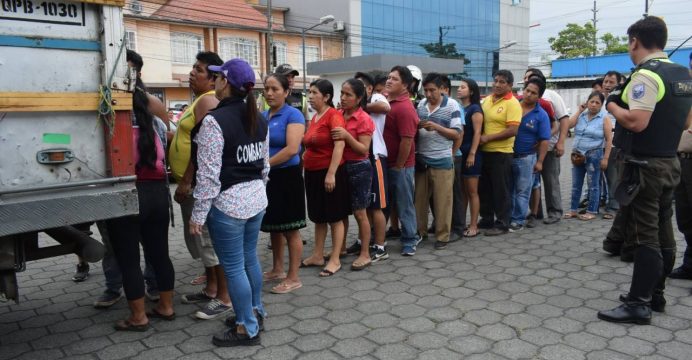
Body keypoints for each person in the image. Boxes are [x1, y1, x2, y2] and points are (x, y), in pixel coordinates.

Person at [598, 16, 692, 324]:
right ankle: (656, 294)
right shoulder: (682, 74)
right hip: (669, 162)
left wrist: (611, 103)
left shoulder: (645, 77)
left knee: (644, 234)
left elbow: (637, 121)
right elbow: (687, 122)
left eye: (629, 42)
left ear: (635, 41)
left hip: (644, 166)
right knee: (664, 230)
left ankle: (638, 304)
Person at [190, 58, 269, 346]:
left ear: (226, 83)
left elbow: (208, 177)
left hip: (228, 206)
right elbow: (264, 165)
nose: (213, 82)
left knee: (234, 268)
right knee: (250, 260)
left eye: (217, 78)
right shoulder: (258, 117)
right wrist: (258, 191)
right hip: (256, 200)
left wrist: (197, 215)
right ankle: (255, 312)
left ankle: (246, 327)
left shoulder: (214, 121)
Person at [105, 72, 176, 332]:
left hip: (127, 194)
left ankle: (138, 317)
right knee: (160, 255)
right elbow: (167, 148)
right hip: (158, 193)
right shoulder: (156, 123)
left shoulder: (110, 123)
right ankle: (166, 307)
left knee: (129, 259)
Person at [93, 49, 163, 308]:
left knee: (152, 244)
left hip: (147, 186)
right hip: (112, 185)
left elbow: (163, 142)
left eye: (128, 71)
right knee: (113, 245)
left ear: (137, 74)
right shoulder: (102, 101)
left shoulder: (151, 104)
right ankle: (113, 287)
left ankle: (153, 287)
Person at [169, 52, 232, 320]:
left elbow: (202, 145)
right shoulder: (197, 101)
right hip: (193, 183)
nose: (193, 72)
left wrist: (186, 179)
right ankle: (211, 288)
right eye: (193, 67)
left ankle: (224, 298)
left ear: (213, 79)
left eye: (199, 69)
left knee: (210, 241)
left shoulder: (207, 100)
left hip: (198, 184)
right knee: (201, 240)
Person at [259, 73, 306, 294]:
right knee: (273, 227)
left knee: (290, 229)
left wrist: (264, 165)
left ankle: (293, 276)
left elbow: (291, 149)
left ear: (286, 92)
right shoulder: (263, 115)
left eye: (275, 89)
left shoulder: (293, 114)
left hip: (287, 177)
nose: (269, 93)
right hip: (268, 178)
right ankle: (277, 269)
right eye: (266, 89)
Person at [300, 79, 350, 276]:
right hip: (312, 174)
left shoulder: (334, 116)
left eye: (314, 93)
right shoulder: (315, 118)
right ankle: (318, 255)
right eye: (310, 93)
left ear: (327, 96)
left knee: (335, 217)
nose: (310, 97)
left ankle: (335, 259)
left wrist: (331, 174)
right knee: (319, 216)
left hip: (329, 173)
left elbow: (339, 146)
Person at [414, 73, 463, 249]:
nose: (428, 94)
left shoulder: (452, 105)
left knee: (443, 202)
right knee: (419, 201)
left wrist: (435, 126)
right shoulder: (421, 105)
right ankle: (420, 233)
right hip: (422, 160)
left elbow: (456, 133)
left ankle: (443, 237)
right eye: (425, 90)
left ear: (442, 89)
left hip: (442, 160)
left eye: (432, 90)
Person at [332, 79, 375, 270]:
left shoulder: (364, 118)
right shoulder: (339, 114)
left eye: (348, 94)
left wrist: (347, 136)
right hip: (341, 166)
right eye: (342, 93)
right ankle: (340, 249)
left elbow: (363, 149)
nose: (343, 97)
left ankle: (365, 253)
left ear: (358, 99)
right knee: (341, 211)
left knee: (360, 212)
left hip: (359, 168)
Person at [348, 72, 391, 262]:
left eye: (359, 86)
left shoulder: (376, 98)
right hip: (360, 160)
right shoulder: (352, 111)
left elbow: (385, 107)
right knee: (363, 207)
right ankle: (361, 240)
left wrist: (363, 104)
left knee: (377, 206)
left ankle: (380, 247)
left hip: (376, 158)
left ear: (369, 89)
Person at [523, 68, 570, 225]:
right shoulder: (523, 96)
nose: (527, 80)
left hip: (549, 147)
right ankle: (536, 213)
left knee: (551, 180)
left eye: (530, 77)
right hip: (529, 149)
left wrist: (561, 142)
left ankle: (555, 212)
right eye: (526, 78)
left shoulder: (552, 96)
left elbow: (563, 120)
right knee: (532, 182)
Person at [383, 66, 421, 256]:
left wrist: (399, 166)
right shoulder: (386, 101)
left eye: (394, 79)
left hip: (401, 166)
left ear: (406, 85)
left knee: (404, 204)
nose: (389, 81)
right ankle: (379, 238)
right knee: (385, 204)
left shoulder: (405, 108)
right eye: (388, 77)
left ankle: (409, 239)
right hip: (385, 163)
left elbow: (407, 141)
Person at [478, 70, 520, 236]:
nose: (497, 84)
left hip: (502, 153)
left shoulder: (513, 103)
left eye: (502, 82)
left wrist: (488, 138)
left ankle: (502, 223)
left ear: (510, 85)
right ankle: (487, 219)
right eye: (495, 81)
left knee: (501, 190)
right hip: (484, 152)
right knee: (485, 189)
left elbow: (513, 130)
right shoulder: (487, 100)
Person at [510, 78, 551, 231]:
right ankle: (509, 216)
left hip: (526, 158)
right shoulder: (513, 105)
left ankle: (518, 220)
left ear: (539, 96)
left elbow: (545, 140)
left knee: (523, 190)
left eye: (533, 93)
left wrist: (540, 161)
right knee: (509, 189)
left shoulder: (541, 115)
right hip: (507, 155)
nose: (528, 94)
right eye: (527, 90)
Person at [565, 91, 612, 220]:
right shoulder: (581, 116)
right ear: (587, 102)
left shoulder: (604, 118)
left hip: (594, 155)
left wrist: (605, 158)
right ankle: (573, 210)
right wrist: (579, 111)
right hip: (578, 154)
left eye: (597, 103)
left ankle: (591, 211)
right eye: (592, 101)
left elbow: (609, 140)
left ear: (601, 105)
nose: (594, 105)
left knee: (593, 185)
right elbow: (568, 125)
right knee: (576, 184)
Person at [457, 78, 483, 238]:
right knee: (463, 192)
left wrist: (472, 153)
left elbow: (478, 133)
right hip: (461, 153)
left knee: (472, 192)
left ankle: (474, 225)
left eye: (462, 87)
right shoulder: (460, 108)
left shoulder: (475, 110)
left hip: (471, 155)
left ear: (471, 91)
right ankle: (462, 223)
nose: (459, 89)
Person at [601, 70, 624, 218]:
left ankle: (614, 207)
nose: (607, 85)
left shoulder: (620, 101)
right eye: (606, 82)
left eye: (611, 82)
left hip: (614, 145)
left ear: (619, 84)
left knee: (613, 176)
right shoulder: (600, 100)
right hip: (598, 144)